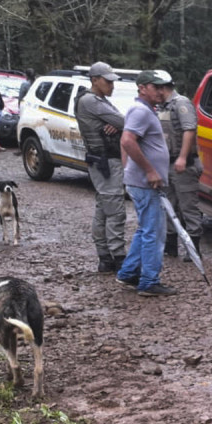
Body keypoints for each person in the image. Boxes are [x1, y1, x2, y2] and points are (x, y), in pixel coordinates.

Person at [116, 69, 178, 297]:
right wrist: (150, 171)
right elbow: (127, 141)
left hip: (139, 180)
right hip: (145, 183)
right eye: (156, 87)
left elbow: (127, 142)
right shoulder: (140, 111)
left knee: (145, 230)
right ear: (142, 88)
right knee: (154, 232)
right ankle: (149, 282)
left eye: (163, 87)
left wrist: (129, 170)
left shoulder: (143, 111)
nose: (161, 92)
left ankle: (128, 273)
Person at [75, 62, 127, 272]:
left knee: (104, 208)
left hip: (103, 160)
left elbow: (119, 122)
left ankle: (105, 256)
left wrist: (117, 125)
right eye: (107, 81)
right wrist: (118, 124)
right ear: (95, 80)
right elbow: (124, 121)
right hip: (104, 161)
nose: (111, 85)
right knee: (114, 209)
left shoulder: (97, 100)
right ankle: (118, 257)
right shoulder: (91, 101)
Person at [158, 78, 202, 257]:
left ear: (162, 88)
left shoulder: (181, 103)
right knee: (168, 205)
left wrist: (183, 157)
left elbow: (189, 129)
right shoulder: (161, 106)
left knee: (188, 205)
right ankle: (171, 245)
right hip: (166, 163)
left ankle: (194, 249)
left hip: (183, 164)